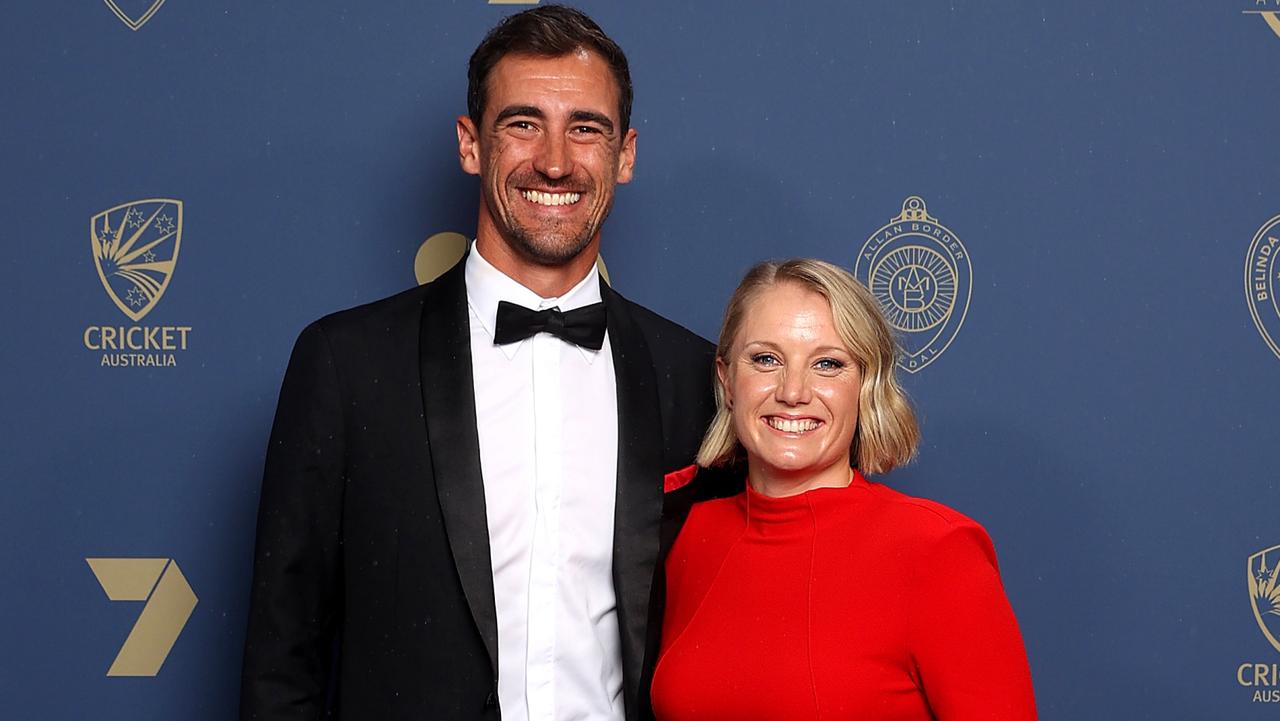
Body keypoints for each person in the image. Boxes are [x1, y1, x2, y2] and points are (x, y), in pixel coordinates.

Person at [240, 7, 717, 721]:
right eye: (523, 123)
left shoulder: (691, 374)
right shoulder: (346, 365)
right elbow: (283, 661)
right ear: (471, 145)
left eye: (585, 127)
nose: (555, 160)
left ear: (625, 154)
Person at [650, 259, 1037, 720]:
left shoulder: (936, 551)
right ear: (727, 380)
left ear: (865, 386)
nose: (793, 391)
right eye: (766, 359)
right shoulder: (691, 535)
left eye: (828, 364)